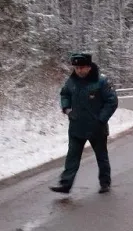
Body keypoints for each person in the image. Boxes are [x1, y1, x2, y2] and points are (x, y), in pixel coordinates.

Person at [50, 52, 119, 194]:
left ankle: (105, 183)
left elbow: (112, 102)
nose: (79, 70)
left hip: (97, 127)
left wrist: (101, 119)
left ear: (89, 67)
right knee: (72, 156)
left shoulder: (101, 81)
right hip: (76, 126)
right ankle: (65, 184)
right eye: (76, 68)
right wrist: (66, 108)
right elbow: (65, 94)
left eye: (82, 68)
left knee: (101, 156)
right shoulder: (71, 81)